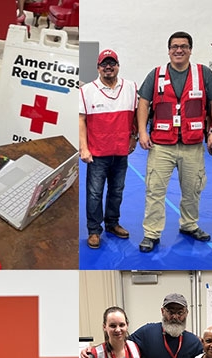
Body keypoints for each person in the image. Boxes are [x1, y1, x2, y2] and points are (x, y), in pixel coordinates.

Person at [136, 31, 212, 252]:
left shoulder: (202, 73)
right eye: (174, 46)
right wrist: (142, 132)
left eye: (184, 46)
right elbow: (143, 103)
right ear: (168, 50)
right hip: (161, 146)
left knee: (193, 189)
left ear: (190, 50)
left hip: (192, 145)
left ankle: (189, 224)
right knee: (154, 190)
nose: (179, 50)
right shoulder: (156, 74)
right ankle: (151, 233)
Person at [79, 49, 138, 250]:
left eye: (112, 63)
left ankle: (112, 223)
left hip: (121, 152)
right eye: (104, 64)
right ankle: (94, 230)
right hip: (98, 153)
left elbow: (137, 114)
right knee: (94, 193)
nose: (108, 67)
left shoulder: (130, 88)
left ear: (118, 66)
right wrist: (84, 148)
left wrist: (134, 136)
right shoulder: (87, 91)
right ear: (98, 68)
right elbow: (81, 120)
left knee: (117, 190)